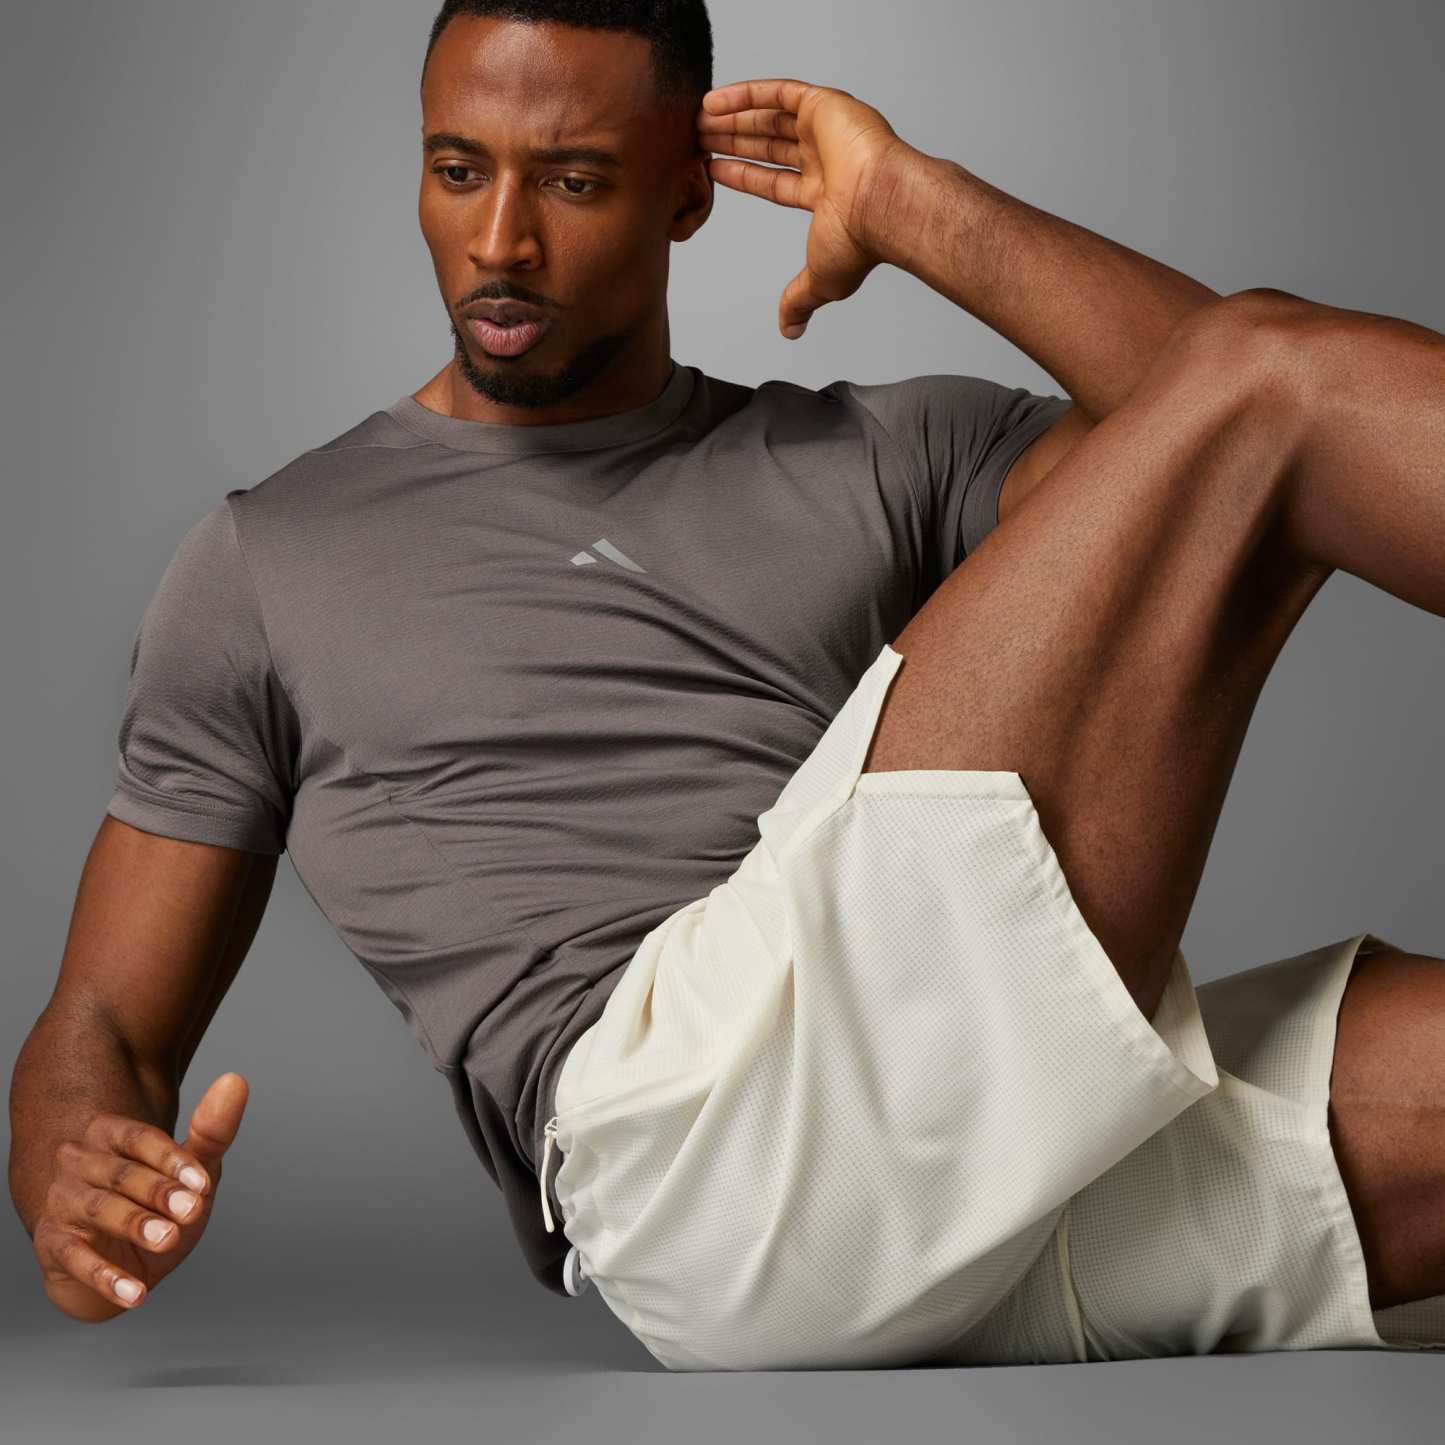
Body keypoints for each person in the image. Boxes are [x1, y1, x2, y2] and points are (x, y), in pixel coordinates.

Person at [10, 0, 1445, 1370]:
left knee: (1261, 386)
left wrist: (908, 205)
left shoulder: (883, 457)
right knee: (1265, 373)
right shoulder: (269, 557)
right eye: (458, 173)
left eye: (572, 181)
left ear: (689, 193)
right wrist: (73, 1180)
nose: (499, 241)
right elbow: (104, 1024)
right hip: (689, 1147)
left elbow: (1267, 440)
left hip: (953, 1161)